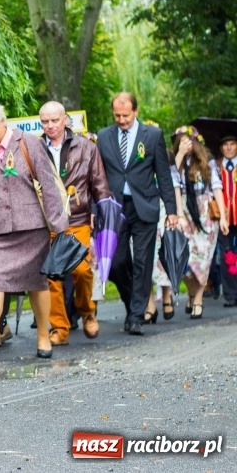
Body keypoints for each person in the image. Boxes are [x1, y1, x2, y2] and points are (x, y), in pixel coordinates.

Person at [0, 99, 68, 363]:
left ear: (2, 121)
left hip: (31, 227)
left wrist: (58, 226)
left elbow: (48, 185)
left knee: (37, 283)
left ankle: (44, 336)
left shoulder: (30, 143)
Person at [97, 92, 177, 335]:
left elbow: (163, 174)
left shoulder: (151, 136)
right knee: (115, 262)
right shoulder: (104, 136)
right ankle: (133, 301)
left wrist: (171, 210)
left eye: (126, 115)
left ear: (136, 111)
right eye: (117, 115)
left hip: (145, 206)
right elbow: (98, 176)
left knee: (143, 262)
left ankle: (135, 316)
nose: (121, 120)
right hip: (114, 209)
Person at [39, 102, 110, 346]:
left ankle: (87, 310)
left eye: (54, 121)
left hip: (78, 218)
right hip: (48, 221)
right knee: (53, 277)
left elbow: (99, 183)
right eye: (45, 122)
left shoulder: (86, 147)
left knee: (82, 271)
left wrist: (102, 214)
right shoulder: (36, 148)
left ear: (65, 120)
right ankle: (60, 328)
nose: (50, 126)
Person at [151, 127, 229, 319]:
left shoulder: (207, 162)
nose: (187, 144)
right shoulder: (175, 161)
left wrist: (224, 217)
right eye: (182, 141)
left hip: (205, 216)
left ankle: (199, 298)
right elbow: (170, 182)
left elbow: (217, 188)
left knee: (203, 260)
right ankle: (192, 292)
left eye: (189, 141)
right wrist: (179, 155)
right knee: (184, 259)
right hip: (183, 211)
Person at [218, 135, 237, 307]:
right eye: (226, 145)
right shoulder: (216, 166)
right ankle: (230, 294)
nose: (229, 148)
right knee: (226, 255)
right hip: (223, 218)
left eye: (232, 144)